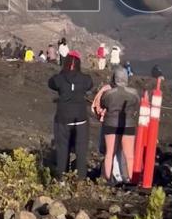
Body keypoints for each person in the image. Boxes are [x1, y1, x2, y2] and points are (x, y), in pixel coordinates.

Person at [47, 51, 93, 179]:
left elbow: (51, 83)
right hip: (80, 118)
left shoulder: (59, 78)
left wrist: (63, 75)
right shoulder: (85, 79)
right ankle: (81, 180)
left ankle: (61, 179)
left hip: (63, 118)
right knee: (81, 150)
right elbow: (90, 85)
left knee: (62, 149)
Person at [92, 67, 141, 183]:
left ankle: (108, 179)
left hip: (111, 124)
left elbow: (104, 104)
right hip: (128, 124)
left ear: (115, 78)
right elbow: (137, 105)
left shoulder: (108, 93)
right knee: (129, 155)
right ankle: (132, 180)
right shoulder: (133, 93)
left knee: (109, 153)